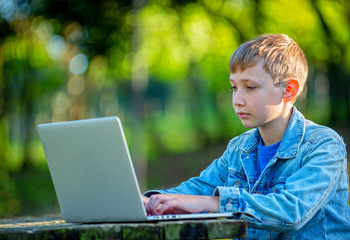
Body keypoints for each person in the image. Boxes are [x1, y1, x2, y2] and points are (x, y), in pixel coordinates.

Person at [141, 34, 350, 239]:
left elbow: (292, 211)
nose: (237, 100)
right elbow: (200, 187)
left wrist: (213, 203)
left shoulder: (324, 145)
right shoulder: (239, 148)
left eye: (250, 87)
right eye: (234, 87)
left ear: (289, 89)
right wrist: (152, 201)